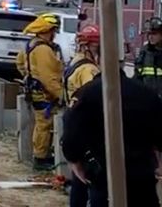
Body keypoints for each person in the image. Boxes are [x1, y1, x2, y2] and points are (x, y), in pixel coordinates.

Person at [61, 70, 162, 207]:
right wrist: (160, 151)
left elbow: (72, 131)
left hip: (103, 175)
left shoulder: (86, 93)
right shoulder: (146, 92)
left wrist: (74, 160)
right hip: (141, 176)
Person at [16, 12, 64, 170]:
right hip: (45, 94)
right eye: (54, 31)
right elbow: (49, 77)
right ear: (48, 30)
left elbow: (20, 63)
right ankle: (40, 158)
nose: (54, 35)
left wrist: (29, 76)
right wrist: (62, 96)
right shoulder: (44, 50)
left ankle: (41, 154)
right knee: (44, 124)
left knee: (41, 124)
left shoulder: (31, 44)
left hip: (36, 92)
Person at [61, 24, 101, 207]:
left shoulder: (74, 62)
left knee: (79, 177)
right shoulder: (89, 70)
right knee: (93, 178)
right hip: (88, 128)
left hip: (74, 123)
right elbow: (95, 96)